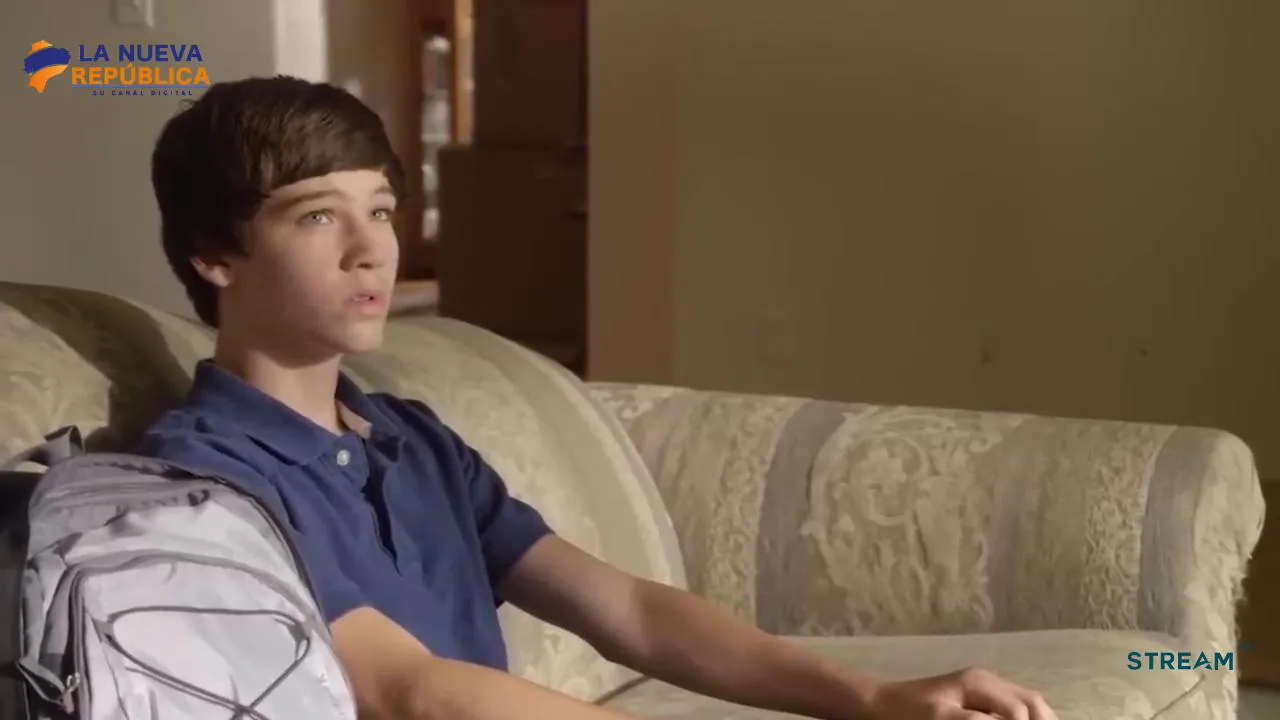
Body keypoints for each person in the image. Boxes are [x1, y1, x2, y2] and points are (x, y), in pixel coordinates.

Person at [139, 76, 1058, 720]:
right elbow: (408, 692)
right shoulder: (206, 477)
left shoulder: (409, 439)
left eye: (379, 209)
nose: (371, 248)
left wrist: (874, 697)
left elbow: (630, 612)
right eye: (317, 216)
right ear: (214, 257)